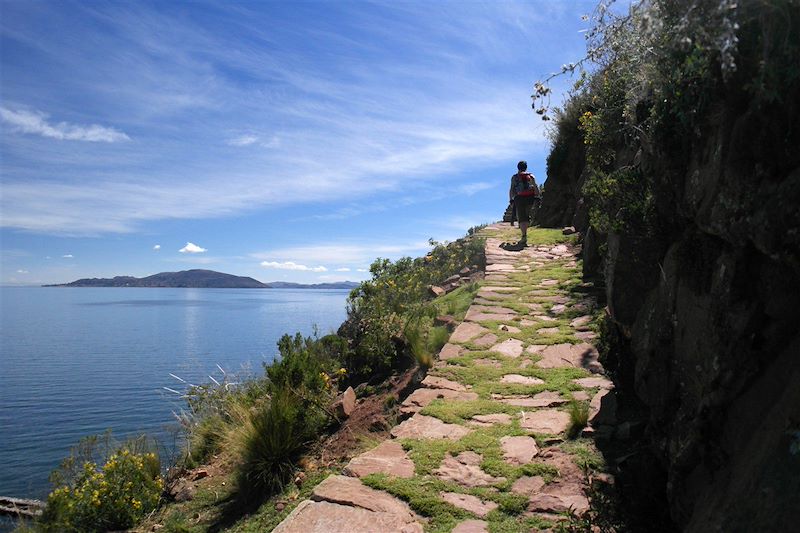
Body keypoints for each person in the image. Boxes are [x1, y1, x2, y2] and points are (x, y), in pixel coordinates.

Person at [509, 160, 540, 246]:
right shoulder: (531, 176)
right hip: (530, 198)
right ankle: (526, 229)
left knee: (522, 217)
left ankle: (524, 236)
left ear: (518, 167)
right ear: (526, 167)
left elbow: (511, 189)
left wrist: (511, 199)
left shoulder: (514, 177)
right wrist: (537, 195)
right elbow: (535, 186)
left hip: (519, 198)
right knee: (526, 215)